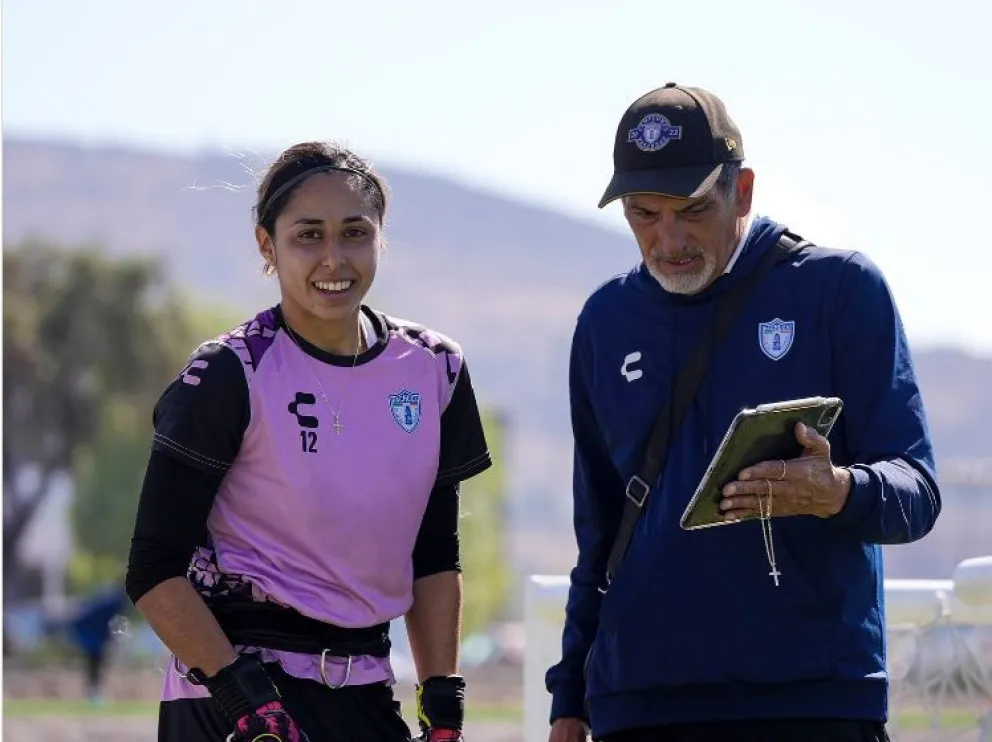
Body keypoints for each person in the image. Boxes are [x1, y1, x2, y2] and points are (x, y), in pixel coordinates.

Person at [545, 83, 941, 742]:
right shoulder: (605, 321)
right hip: (640, 704)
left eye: (693, 210)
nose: (668, 239)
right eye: (644, 214)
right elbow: (601, 531)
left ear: (744, 191)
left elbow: (918, 492)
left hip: (813, 703)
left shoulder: (840, 289)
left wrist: (838, 490)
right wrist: (570, 700)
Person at [124, 141, 492, 742]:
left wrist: (442, 700)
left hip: (365, 689)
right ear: (267, 246)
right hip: (235, 692)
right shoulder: (228, 372)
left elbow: (433, 555)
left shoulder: (435, 368)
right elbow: (153, 570)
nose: (333, 258)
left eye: (354, 233)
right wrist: (245, 700)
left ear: (380, 238)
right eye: (308, 236)